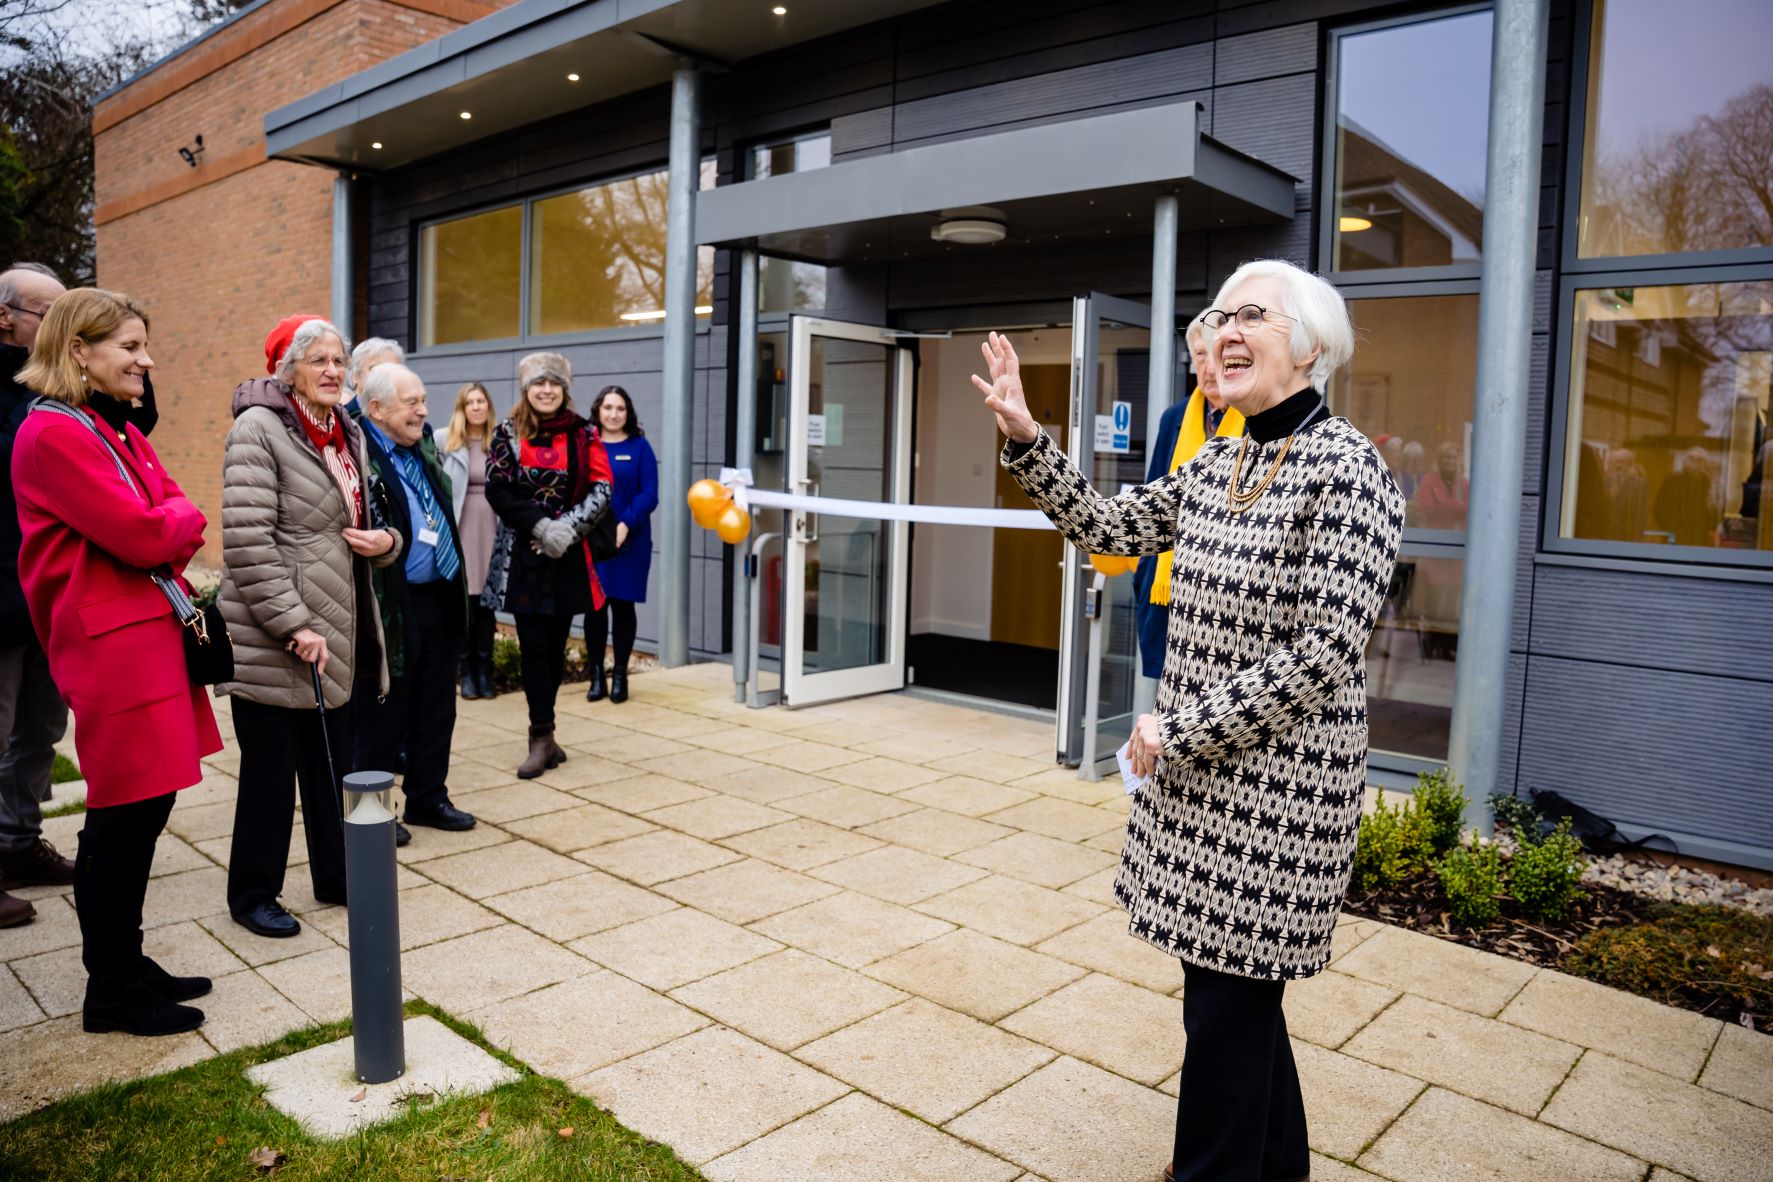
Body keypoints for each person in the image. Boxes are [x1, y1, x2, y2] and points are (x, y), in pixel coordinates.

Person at [977, 258, 1403, 1182]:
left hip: (1278, 799)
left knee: (1224, 1013)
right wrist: (1027, 437)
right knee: (1234, 1005)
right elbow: (1109, 528)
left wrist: (1181, 724)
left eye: (1253, 313)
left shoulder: (1348, 468)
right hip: (1199, 788)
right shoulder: (1223, 455)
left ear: (1310, 343)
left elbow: (1326, 647)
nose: (1227, 329)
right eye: (1219, 314)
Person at [13, 288, 221, 1035]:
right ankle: (112, 989)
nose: (147, 359)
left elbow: (171, 507)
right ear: (79, 350)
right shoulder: (53, 434)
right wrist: (175, 521)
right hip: (112, 645)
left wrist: (172, 520)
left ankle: (127, 963)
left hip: (144, 634)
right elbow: (146, 531)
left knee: (149, 804)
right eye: (130, 347)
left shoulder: (113, 428)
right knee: (122, 816)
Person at [217, 315, 400, 938]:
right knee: (269, 779)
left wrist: (387, 541)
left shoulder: (348, 431)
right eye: (317, 359)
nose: (331, 370)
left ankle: (337, 876)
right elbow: (246, 542)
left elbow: (375, 517)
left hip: (342, 625)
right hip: (278, 635)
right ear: (286, 368)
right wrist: (294, 624)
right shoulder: (257, 430)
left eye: (338, 359)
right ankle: (252, 895)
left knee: (331, 768)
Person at [351, 364, 476, 835]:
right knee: (381, 715)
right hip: (388, 604)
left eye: (423, 400)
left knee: (436, 708)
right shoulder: (358, 453)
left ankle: (427, 798)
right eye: (411, 402)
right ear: (376, 408)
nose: (422, 410)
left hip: (438, 598)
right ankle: (371, 817)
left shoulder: (421, 448)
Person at [482, 352, 612, 778]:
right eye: (539, 384)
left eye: (554, 384)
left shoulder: (585, 433)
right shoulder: (507, 432)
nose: (546, 390)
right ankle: (539, 737)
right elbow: (498, 490)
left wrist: (567, 531)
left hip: (568, 559)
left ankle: (549, 736)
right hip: (524, 559)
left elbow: (602, 488)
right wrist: (540, 527)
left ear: (565, 390)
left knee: (556, 648)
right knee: (534, 648)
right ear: (526, 389)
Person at [0, 263, 77, 926]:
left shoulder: (53, 385)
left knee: (42, 728)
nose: (59, 328)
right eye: (47, 314)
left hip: (43, 596)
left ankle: (17, 842)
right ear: (6, 316)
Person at [1132, 319, 1245, 681]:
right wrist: (1144, 572)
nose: (1209, 367)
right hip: (1169, 584)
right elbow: (1152, 499)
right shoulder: (1174, 418)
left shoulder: (1256, 421)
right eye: (1200, 354)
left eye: (1216, 354)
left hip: (1226, 588)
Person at [585, 384, 657, 704]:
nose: (614, 414)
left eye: (620, 408)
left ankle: (620, 677)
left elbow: (649, 494)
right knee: (595, 607)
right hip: (593, 539)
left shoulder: (640, 448)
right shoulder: (587, 445)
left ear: (628, 413)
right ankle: (596, 675)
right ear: (598, 411)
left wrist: (625, 523)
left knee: (623, 606)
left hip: (631, 540)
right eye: (608, 407)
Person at [442, 382, 499, 700]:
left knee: (486, 609)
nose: (476, 407)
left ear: (488, 407)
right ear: (462, 409)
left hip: (491, 529)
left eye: (481, 401)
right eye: (470, 402)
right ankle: (466, 674)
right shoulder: (446, 442)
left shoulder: (500, 443)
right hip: (461, 529)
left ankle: (484, 670)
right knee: (464, 607)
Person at [1416, 440, 1469, 530]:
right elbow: (1426, 509)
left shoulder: (1464, 483)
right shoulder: (1428, 480)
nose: (1451, 461)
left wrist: (1442, 503)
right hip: (1434, 536)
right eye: (1447, 457)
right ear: (1440, 460)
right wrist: (1457, 507)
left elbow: (1469, 510)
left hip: (1458, 537)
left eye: (1454, 458)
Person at [345, 337, 404, 407]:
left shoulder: (409, 415)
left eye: (392, 370)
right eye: (376, 369)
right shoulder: (339, 416)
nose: (384, 377)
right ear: (355, 376)